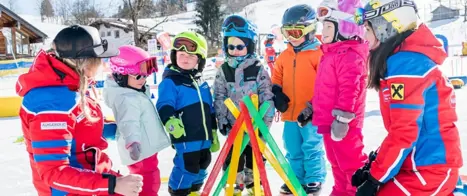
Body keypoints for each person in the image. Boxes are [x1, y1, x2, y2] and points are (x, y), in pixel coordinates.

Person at [15, 24, 143, 196]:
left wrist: (118, 129)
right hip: (73, 190)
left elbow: (78, 127)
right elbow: (54, 172)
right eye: (99, 59)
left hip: (92, 178)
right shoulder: (51, 106)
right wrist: (112, 185)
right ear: (85, 63)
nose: (103, 65)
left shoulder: (71, 82)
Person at [350, 0, 463, 195]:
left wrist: (376, 177)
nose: (364, 38)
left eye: (367, 30)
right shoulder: (405, 62)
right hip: (420, 164)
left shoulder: (407, 66)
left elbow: (404, 133)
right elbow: (401, 129)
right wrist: (374, 163)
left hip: (429, 170)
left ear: (385, 28)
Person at [296, 0, 368, 195]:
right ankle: (341, 191)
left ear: (345, 28)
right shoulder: (329, 54)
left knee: (351, 164)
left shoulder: (350, 55)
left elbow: (350, 89)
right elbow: (324, 89)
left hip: (345, 124)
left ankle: (357, 191)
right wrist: (312, 108)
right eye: (323, 26)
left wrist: (343, 119)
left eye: (329, 26)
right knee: (336, 163)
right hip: (329, 121)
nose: (323, 31)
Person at [213, 14, 274, 195]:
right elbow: (219, 95)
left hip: (255, 126)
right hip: (234, 127)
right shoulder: (223, 70)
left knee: (254, 157)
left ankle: (255, 186)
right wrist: (222, 119)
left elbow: (267, 97)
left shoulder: (258, 69)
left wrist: (265, 124)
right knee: (234, 158)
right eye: (231, 46)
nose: (235, 50)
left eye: (240, 46)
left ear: (249, 45)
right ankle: (234, 186)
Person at [156, 31, 220, 196]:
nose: (185, 58)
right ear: (174, 55)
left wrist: (213, 130)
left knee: (204, 162)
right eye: (181, 54)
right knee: (187, 165)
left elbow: (209, 109)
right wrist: (170, 121)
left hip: (204, 135)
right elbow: (164, 104)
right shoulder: (171, 81)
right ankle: (178, 191)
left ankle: (193, 190)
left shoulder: (202, 83)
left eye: (191, 56)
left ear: (199, 60)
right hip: (185, 134)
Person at [271, 4, 326, 195]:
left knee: (311, 146)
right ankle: (295, 179)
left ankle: (314, 178)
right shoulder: (284, 56)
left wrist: (315, 108)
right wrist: (276, 91)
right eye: (288, 33)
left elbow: (325, 84)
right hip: (289, 113)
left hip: (311, 113)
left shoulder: (318, 54)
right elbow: (276, 76)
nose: (292, 38)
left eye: (296, 32)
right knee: (292, 147)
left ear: (310, 31)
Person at [103, 45, 171, 196]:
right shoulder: (127, 99)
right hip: (140, 151)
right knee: (147, 181)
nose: (144, 79)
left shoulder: (132, 91)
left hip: (145, 150)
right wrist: (133, 142)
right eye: (138, 76)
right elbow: (129, 122)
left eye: (145, 75)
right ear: (121, 75)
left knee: (150, 179)